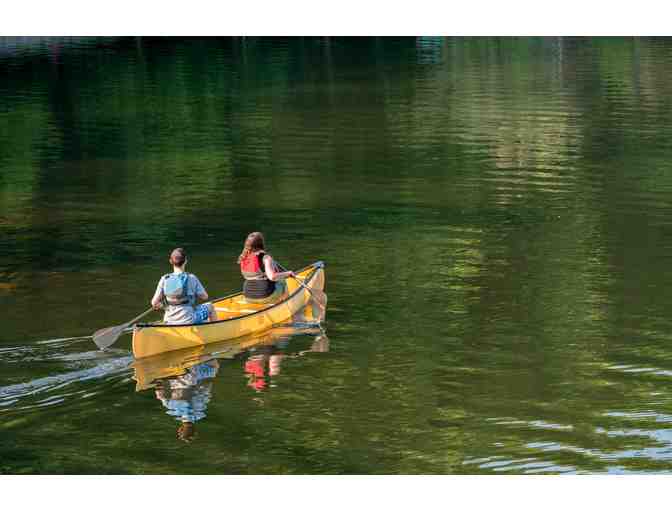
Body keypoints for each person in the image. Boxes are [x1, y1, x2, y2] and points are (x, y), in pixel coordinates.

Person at [151, 248, 215, 325]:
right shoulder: (192, 278)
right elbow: (205, 297)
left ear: (170, 261)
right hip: (188, 319)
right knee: (210, 306)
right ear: (185, 261)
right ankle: (213, 330)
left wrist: (166, 307)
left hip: (169, 320)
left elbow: (154, 303)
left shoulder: (164, 279)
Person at [237, 232, 295, 303]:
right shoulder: (265, 257)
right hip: (265, 296)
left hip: (247, 296)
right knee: (283, 281)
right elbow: (272, 277)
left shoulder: (243, 256)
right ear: (261, 243)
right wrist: (288, 273)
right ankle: (286, 304)